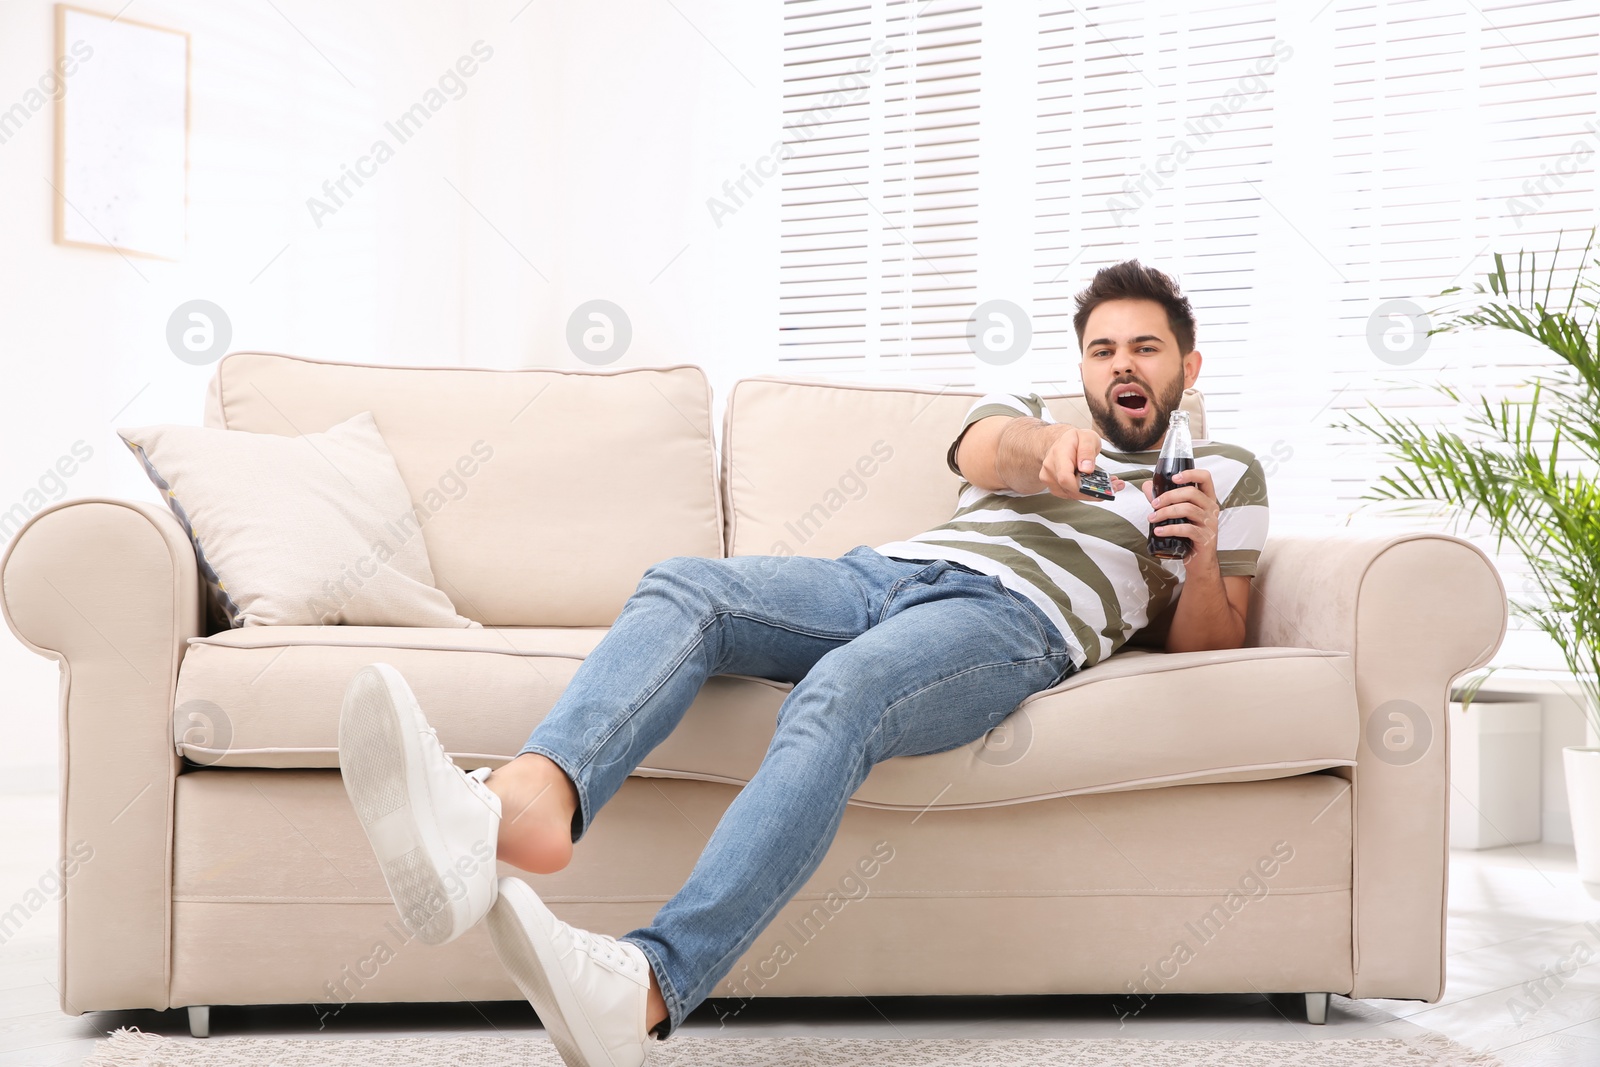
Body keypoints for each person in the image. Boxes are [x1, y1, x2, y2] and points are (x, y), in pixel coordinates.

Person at [336, 260, 1270, 1067]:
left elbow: (1213, 643)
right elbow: (988, 447)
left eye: (1145, 349)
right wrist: (1044, 453)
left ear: (1187, 366)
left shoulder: (1225, 471)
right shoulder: (1035, 424)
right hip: (884, 573)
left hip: (1014, 619)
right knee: (687, 586)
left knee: (842, 693)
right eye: (1103, 350)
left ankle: (646, 986)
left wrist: (1194, 554)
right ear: (1082, 369)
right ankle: (519, 809)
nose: (1122, 366)